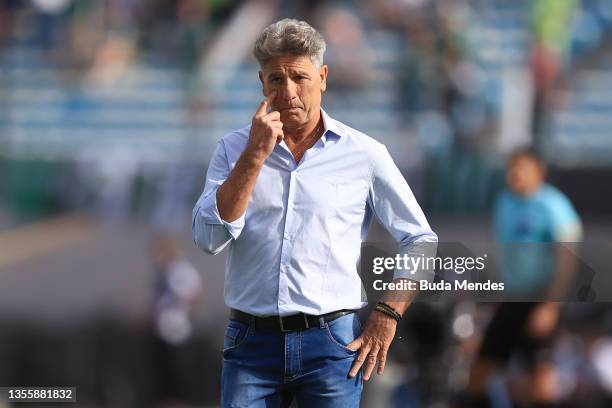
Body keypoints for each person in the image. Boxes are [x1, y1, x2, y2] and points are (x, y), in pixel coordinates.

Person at [192, 19, 437, 407]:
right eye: (276, 79)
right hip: (250, 341)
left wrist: (389, 312)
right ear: (261, 83)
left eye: (299, 77)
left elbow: (421, 240)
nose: (288, 91)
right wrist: (254, 157)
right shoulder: (233, 149)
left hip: (332, 341)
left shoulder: (364, 153)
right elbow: (209, 239)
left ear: (322, 77)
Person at [457, 149, 582, 408]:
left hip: (540, 300)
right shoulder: (504, 202)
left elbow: (567, 258)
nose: (514, 174)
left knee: (541, 381)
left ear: (539, 172)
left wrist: (550, 306)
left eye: (521, 168)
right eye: (511, 168)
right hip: (511, 299)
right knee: (479, 374)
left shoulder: (553, 206)